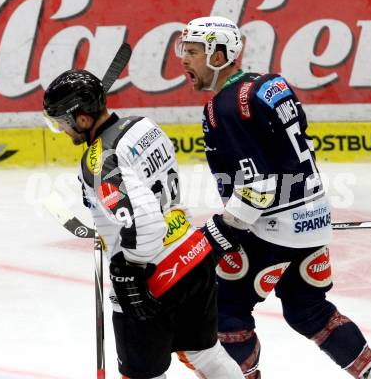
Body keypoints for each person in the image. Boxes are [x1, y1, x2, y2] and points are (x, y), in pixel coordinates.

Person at [176, 16, 371, 378]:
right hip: (313, 220)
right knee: (308, 309)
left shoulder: (224, 107)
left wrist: (218, 232)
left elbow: (258, 186)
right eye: (184, 51)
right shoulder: (270, 84)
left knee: (225, 309)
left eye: (194, 52)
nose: (185, 60)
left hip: (269, 231)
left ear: (220, 54)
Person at [42, 68, 244, 379]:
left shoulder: (99, 159)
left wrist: (128, 273)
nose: (63, 130)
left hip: (156, 275)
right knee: (207, 354)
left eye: (63, 122)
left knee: (142, 374)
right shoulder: (142, 125)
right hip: (193, 254)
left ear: (82, 118)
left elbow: (146, 224)